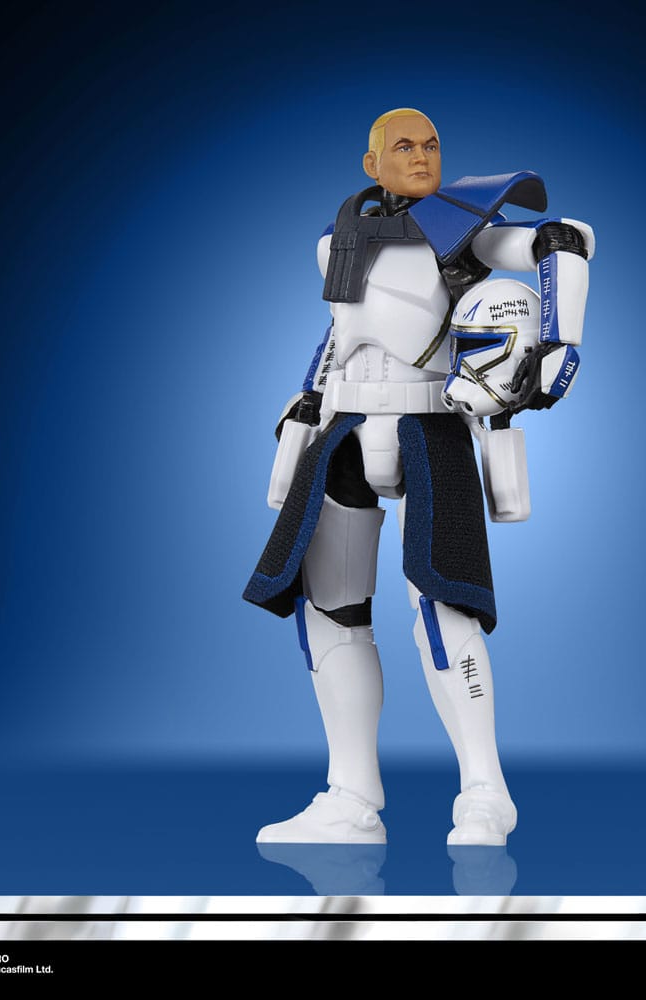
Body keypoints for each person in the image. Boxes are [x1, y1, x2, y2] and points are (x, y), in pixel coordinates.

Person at [243, 109, 594, 846]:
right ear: (371, 164)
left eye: (431, 144)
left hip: (426, 425)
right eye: (403, 146)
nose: (422, 155)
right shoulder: (338, 239)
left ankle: (485, 792)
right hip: (343, 426)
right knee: (330, 610)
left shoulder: (461, 230)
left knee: (445, 605)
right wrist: (306, 400)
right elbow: (342, 332)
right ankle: (350, 796)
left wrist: (558, 341)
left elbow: (560, 240)